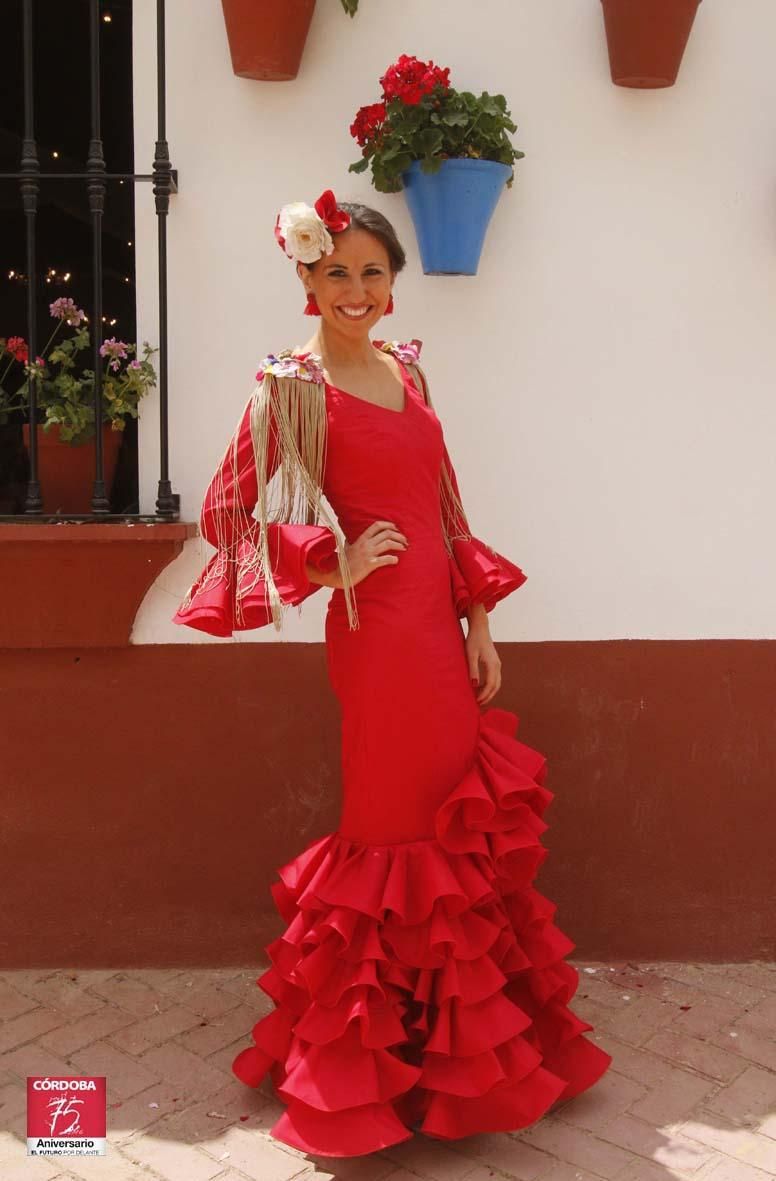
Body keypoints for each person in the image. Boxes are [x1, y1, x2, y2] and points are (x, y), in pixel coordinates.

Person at [172, 188, 612, 1157]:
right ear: (304, 277)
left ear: (392, 285)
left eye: (372, 272)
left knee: (452, 819)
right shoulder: (286, 388)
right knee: (387, 829)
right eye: (337, 271)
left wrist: (479, 624)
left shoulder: (410, 377)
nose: (357, 289)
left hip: (438, 637)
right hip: (373, 639)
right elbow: (232, 508)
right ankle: (364, 1074)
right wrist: (329, 561)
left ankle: (459, 1063)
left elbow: (447, 508)